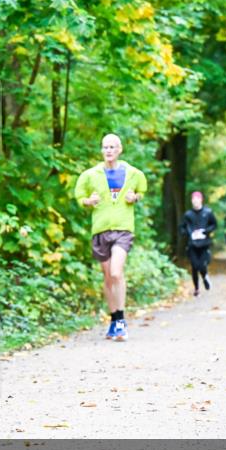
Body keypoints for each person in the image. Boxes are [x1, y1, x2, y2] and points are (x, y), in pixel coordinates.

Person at [74, 133, 147, 342]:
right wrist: (88, 201)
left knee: (116, 272)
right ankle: (114, 319)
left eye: (112, 147)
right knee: (107, 277)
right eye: (105, 147)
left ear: (120, 149)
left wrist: (136, 197)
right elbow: (79, 195)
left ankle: (122, 321)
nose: (108, 151)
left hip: (123, 229)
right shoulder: (91, 175)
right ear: (101, 150)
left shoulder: (133, 173)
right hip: (100, 230)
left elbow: (142, 189)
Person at [179, 191, 217, 297]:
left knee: (202, 265)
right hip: (192, 244)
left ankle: (205, 276)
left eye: (197, 199)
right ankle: (196, 288)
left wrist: (205, 231)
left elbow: (214, 224)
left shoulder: (208, 212)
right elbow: (182, 227)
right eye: (193, 200)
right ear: (191, 201)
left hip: (204, 244)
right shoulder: (188, 214)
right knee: (194, 266)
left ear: (201, 200)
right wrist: (188, 233)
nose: (195, 202)